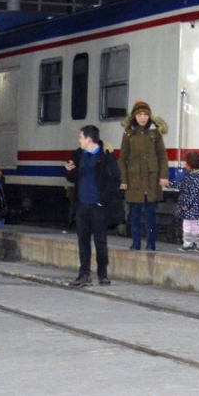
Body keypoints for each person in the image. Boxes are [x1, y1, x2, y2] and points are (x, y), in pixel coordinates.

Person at [64, 125, 121, 287]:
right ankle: (84, 274)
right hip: (82, 205)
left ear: (89, 139)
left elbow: (115, 179)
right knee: (83, 241)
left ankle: (102, 274)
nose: (79, 140)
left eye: (81, 137)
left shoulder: (105, 156)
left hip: (98, 206)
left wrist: (102, 200)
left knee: (100, 241)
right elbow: (73, 178)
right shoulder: (79, 156)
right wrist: (68, 171)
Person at [119, 100, 169, 251]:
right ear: (134, 116)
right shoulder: (129, 134)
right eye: (140, 114)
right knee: (135, 214)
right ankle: (136, 243)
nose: (143, 117)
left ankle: (151, 244)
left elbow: (162, 156)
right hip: (134, 179)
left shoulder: (155, 134)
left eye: (146, 115)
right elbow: (122, 158)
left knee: (151, 213)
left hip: (152, 180)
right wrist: (124, 180)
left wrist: (163, 176)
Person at [168, 151, 199, 252]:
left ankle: (194, 243)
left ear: (192, 165)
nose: (185, 165)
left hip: (192, 206)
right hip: (193, 206)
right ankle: (193, 243)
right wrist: (169, 184)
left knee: (192, 225)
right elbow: (183, 185)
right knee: (191, 224)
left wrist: (187, 205)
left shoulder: (195, 177)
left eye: (186, 163)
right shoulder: (193, 176)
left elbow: (192, 193)